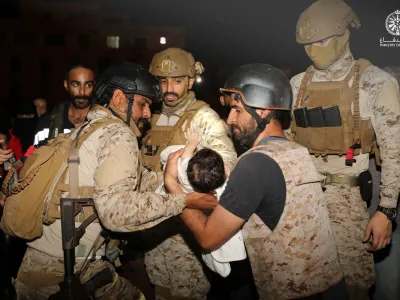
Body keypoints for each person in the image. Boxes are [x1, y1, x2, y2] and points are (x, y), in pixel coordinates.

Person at [11, 61, 217, 300]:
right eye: (143, 104)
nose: (148, 114)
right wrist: (183, 201)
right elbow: (116, 213)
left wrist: (171, 178)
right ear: (120, 99)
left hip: (40, 267)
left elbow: (134, 179)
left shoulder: (90, 128)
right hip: (64, 273)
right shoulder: (118, 135)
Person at [165, 63, 347, 299]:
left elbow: (208, 238)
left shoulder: (254, 164)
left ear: (262, 111)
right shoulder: (298, 151)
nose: (230, 119)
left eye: (237, 110)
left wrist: (173, 187)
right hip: (330, 287)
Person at [290, 0, 400, 298]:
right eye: (308, 43)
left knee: (354, 287)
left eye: (322, 40)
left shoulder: (375, 82)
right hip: (302, 199)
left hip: (348, 200)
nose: (314, 49)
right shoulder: (297, 85)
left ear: (343, 35)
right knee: (301, 284)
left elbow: (394, 155)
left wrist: (386, 212)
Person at [138, 47, 237, 299]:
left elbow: (226, 164)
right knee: (160, 289)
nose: (169, 87)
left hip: (186, 228)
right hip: (154, 224)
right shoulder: (150, 116)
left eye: (177, 80)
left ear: (190, 81)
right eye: (162, 81)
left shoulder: (203, 118)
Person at [34, 62, 96, 145]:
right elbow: (35, 155)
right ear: (66, 85)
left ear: (94, 86)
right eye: (75, 84)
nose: (82, 92)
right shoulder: (48, 121)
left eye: (88, 85)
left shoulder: (104, 120)